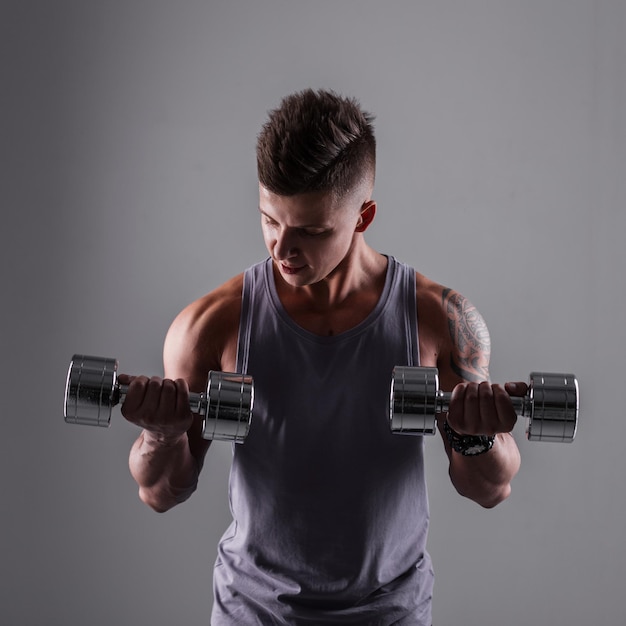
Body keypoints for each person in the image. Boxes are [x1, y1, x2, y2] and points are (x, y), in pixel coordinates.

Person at [120, 89, 522, 625]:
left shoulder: (439, 320)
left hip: (389, 614)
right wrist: (162, 434)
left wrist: (476, 435)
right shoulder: (210, 325)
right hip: (253, 613)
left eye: (310, 231)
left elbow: (491, 486)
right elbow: (158, 492)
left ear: (363, 216)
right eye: (270, 220)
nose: (281, 249)